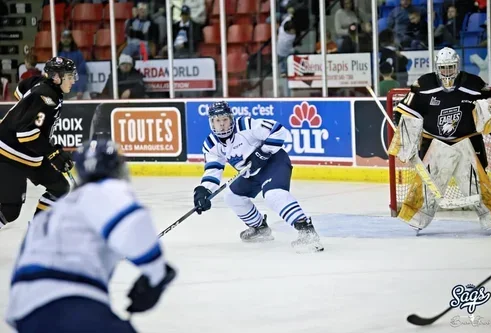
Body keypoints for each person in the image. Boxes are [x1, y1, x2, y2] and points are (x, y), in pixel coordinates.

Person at [5, 139, 176, 332]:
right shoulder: (107, 190)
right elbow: (134, 225)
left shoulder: (56, 208)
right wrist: (157, 276)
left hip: (23, 312)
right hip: (70, 301)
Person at [390, 47, 491, 231]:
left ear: (457, 66)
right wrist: (405, 134)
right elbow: (405, 112)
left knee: (478, 184)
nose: (447, 71)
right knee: (427, 184)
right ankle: (416, 219)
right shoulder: (423, 84)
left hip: (468, 141)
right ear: (437, 67)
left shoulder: (474, 84)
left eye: (450, 67)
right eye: (443, 68)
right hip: (435, 142)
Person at [192, 101, 324, 252]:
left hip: (273, 163)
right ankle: (260, 228)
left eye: (224, 119)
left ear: (231, 119)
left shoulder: (246, 125)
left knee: (273, 195)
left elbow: (279, 131)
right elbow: (213, 170)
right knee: (231, 196)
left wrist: (263, 152)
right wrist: (204, 191)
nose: (221, 125)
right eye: (217, 121)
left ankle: (307, 231)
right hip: (250, 173)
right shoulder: (210, 144)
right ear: (211, 123)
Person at [0, 57, 76, 227]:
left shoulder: (41, 83)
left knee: (60, 188)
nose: (73, 80)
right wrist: (52, 153)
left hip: (29, 153)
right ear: (56, 77)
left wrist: (25, 108)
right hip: (7, 152)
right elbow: (25, 133)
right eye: (69, 76)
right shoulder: (45, 97)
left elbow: (20, 89)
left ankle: (37, 232)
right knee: (10, 211)